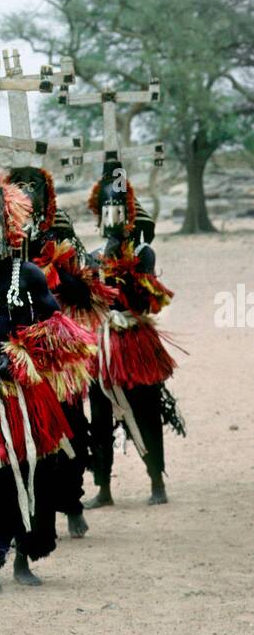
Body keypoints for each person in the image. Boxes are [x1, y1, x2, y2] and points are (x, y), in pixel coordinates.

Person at [0, 167, 95, 594]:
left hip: (29, 394)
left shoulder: (28, 275)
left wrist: (19, 354)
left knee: (36, 468)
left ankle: (25, 558)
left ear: (9, 230)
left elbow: (59, 329)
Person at [9, 166, 113, 538]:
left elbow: (84, 292)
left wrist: (48, 263)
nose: (25, 191)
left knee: (72, 428)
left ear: (46, 192)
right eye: (17, 184)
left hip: (56, 352)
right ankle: (32, 514)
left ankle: (72, 503)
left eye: (33, 184)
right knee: (27, 435)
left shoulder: (59, 231)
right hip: (14, 350)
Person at [84, 165, 184, 507]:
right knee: (99, 417)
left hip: (135, 342)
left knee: (145, 411)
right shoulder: (93, 256)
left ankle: (157, 481)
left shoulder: (143, 255)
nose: (112, 218)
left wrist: (122, 263)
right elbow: (89, 299)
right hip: (102, 346)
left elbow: (145, 301)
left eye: (118, 212)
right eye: (106, 212)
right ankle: (104, 488)